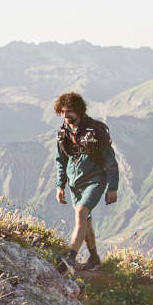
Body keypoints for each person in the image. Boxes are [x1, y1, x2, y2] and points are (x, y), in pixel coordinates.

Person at [52, 92, 118, 270]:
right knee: (86, 222)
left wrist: (112, 188)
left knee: (81, 213)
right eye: (62, 112)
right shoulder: (62, 134)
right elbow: (61, 161)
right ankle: (94, 258)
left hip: (95, 180)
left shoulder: (96, 129)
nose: (66, 116)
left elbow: (110, 159)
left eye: (70, 111)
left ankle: (70, 258)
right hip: (75, 183)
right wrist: (60, 185)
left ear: (79, 111)